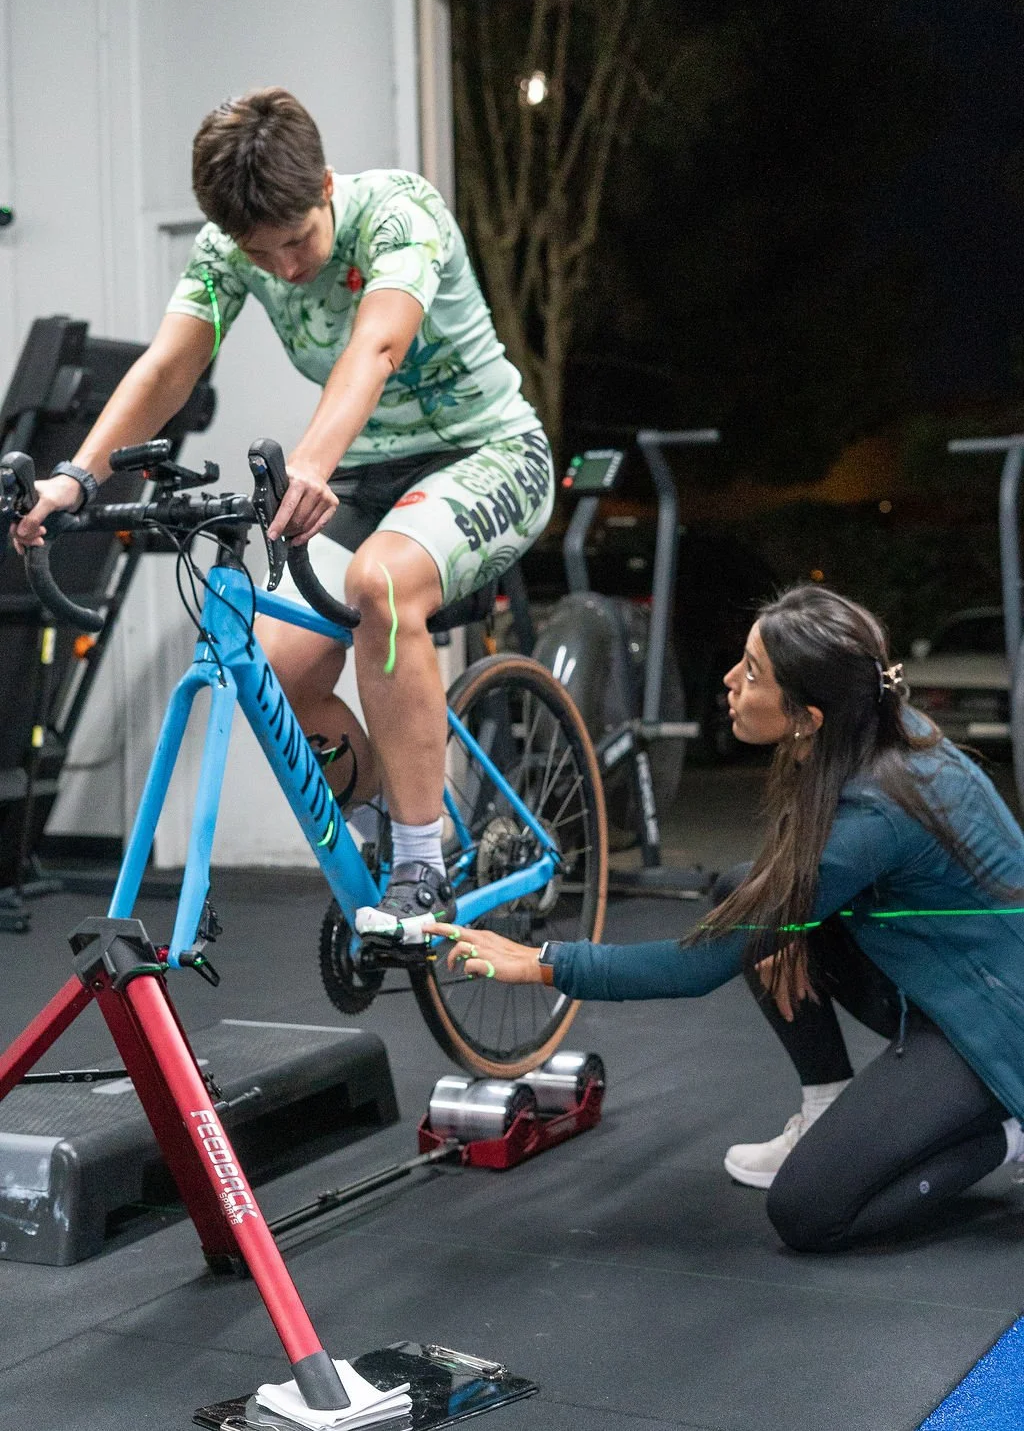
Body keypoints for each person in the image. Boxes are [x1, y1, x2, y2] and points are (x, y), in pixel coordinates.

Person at [12, 87, 554, 933]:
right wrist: (78, 477)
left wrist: (309, 460)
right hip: (366, 481)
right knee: (276, 672)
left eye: (297, 242)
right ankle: (411, 820)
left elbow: (376, 346)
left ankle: (417, 867)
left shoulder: (401, 214)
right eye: (263, 257)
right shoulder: (230, 250)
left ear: (328, 185)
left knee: (382, 580)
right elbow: (167, 369)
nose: (287, 269)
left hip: (486, 456)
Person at [425, 585, 1024, 1253]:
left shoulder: (877, 807)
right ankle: (826, 1099)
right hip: (946, 980)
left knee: (809, 1209)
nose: (731, 682)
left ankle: (1003, 1133)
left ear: (806, 715)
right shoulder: (870, 731)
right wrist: (793, 923)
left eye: (753, 673)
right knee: (745, 889)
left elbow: (698, 965)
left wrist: (540, 962)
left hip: (995, 1027)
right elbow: (772, 891)